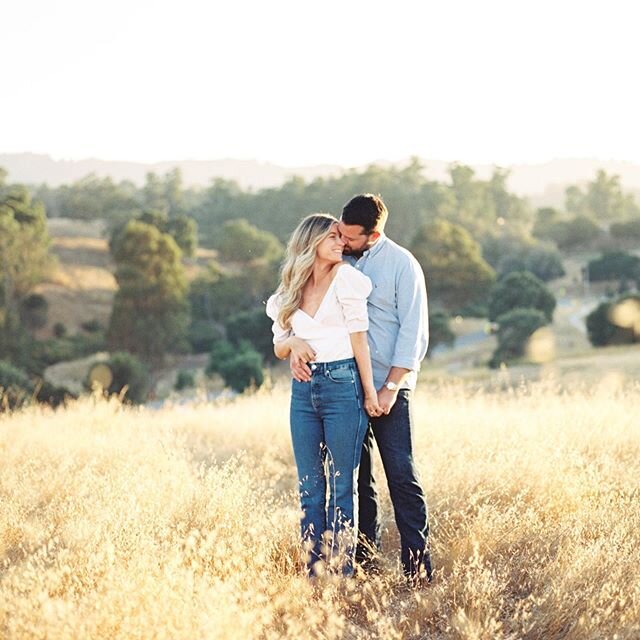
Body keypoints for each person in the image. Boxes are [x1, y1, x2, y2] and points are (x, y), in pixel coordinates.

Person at [290, 194, 433, 584]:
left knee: (401, 474)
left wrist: (389, 388)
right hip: (346, 386)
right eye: (339, 233)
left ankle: (417, 571)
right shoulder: (339, 261)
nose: (343, 240)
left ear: (373, 234)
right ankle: (365, 565)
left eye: (350, 237)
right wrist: (293, 347)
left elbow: (414, 333)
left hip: (390, 386)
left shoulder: (402, 265)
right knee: (357, 481)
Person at [266, 213, 382, 578]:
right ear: (311, 242)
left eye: (341, 238)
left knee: (343, 487)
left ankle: (342, 575)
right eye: (332, 237)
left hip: (342, 386)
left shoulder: (348, 280)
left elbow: (359, 340)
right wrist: (293, 342)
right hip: (303, 393)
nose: (341, 243)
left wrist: (369, 393)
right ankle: (314, 573)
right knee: (310, 489)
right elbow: (278, 347)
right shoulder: (290, 289)